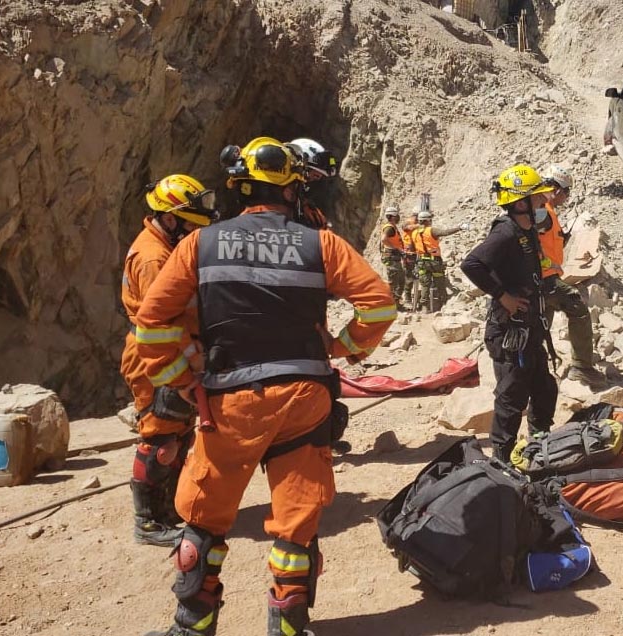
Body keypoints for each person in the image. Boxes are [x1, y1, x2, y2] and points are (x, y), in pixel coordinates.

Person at [137, 136, 395, 636]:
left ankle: (192, 627)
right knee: (296, 526)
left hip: (230, 398)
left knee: (204, 523)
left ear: (238, 187)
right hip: (303, 397)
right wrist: (342, 347)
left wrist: (184, 384)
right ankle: (289, 628)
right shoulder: (321, 242)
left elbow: (151, 324)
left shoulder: (198, 243)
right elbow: (380, 304)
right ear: (293, 190)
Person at [121, 174, 217, 547]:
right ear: (172, 218)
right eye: (192, 224)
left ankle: (170, 509)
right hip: (155, 356)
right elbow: (159, 323)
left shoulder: (166, 247)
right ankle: (147, 523)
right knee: (159, 437)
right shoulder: (153, 258)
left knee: (178, 433)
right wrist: (193, 360)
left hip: (170, 350)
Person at [461, 164, 558, 462]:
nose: (544, 203)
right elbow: (471, 264)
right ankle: (501, 463)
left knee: (544, 390)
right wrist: (503, 297)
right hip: (510, 334)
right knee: (511, 399)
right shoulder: (505, 231)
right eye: (538, 198)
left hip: (530, 330)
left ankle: (537, 450)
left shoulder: (525, 231)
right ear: (520, 203)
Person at [536, 165, 603, 387]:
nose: (566, 198)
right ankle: (582, 367)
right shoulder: (542, 211)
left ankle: (536, 366)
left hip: (542, 278)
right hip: (546, 279)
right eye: (566, 192)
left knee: (541, 322)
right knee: (579, 311)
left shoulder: (544, 210)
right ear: (557, 189)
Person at [410, 210, 468, 312]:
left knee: (425, 284)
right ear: (428, 221)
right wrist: (459, 228)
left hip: (421, 262)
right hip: (434, 261)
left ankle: (424, 306)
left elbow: (411, 248)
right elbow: (445, 232)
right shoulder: (431, 230)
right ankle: (444, 303)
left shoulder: (414, 233)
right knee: (440, 281)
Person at [379, 207, 409, 306]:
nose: (398, 217)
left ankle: (395, 303)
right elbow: (384, 239)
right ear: (392, 217)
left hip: (394, 257)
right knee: (394, 282)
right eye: (396, 216)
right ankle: (390, 305)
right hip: (391, 257)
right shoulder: (389, 228)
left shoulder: (392, 227)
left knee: (401, 281)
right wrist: (396, 248)